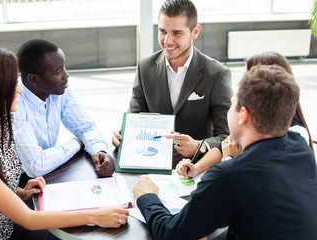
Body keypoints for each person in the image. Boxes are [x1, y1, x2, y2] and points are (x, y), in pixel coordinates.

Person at [0, 44, 129, 240]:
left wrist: (20, 192)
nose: (20, 89)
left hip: (7, 224)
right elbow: (28, 219)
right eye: (12, 84)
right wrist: (95, 216)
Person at [132, 65, 317, 239]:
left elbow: (171, 234)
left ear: (243, 115)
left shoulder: (230, 175)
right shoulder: (300, 148)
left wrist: (148, 196)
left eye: (231, 105)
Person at [112, 0, 232, 166]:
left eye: (177, 33)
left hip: (195, 166)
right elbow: (135, 119)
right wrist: (124, 133)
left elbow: (227, 137)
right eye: (162, 31)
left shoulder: (217, 74)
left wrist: (199, 146)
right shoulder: (144, 67)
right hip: (150, 161)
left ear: (195, 32)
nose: (167, 41)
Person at [176, 51, 314, 178]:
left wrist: (229, 160)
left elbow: (258, 176)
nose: (241, 89)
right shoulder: (257, 121)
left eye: (246, 81)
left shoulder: (294, 135)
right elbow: (224, 145)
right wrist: (195, 168)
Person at [13, 39, 115, 182]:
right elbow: (36, 166)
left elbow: (86, 127)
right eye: (58, 70)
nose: (66, 75)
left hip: (48, 173)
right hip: (16, 184)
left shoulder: (59, 90)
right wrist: (77, 143)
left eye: (64, 67)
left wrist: (100, 151)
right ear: (34, 79)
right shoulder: (14, 103)